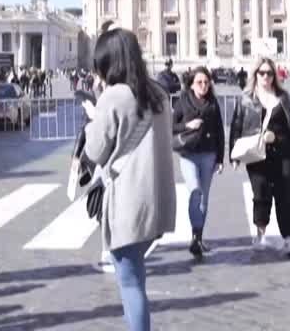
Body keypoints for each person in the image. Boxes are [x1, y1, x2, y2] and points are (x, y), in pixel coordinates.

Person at [82, 29, 175, 331]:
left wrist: (95, 114)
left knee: (130, 283)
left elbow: (95, 151)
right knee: (137, 276)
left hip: (128, 202)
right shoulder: (159, 93)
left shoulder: (114, 96)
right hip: (156, 199)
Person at [231, 58, 290, 256]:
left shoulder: (282, 96)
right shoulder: (245, 99)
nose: (266, 77)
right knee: (260, 194)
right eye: (262, 73)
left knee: (285, 195)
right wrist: (233, 156)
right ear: (255, 75)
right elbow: (236, 126)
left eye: (269, 73)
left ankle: (288, 238)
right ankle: (260, 234)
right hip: (257, 154)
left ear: (274, 75)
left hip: (284, 152)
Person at [171, 67, 225, 258]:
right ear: (192, 84)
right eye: (199, 82)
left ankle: (197, 237)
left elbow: (219, 131)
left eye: (206, 82)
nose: (203, 85)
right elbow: (170, 125)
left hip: (208, 154)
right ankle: (195, 236)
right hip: (188, 154)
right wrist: (187, 125)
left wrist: (220, 159)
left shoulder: (213, 102)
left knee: (204, 198)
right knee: (195, 192)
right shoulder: (182, 101)